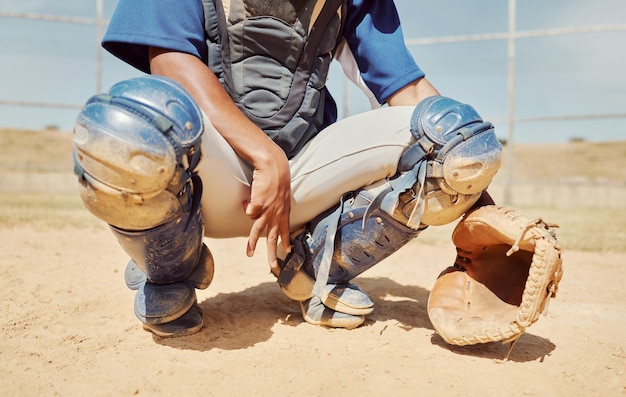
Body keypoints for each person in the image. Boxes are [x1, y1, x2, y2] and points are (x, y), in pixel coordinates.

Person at [72, 0, 502, 337]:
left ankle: (315, 265)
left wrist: (477, 200)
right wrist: (264, 155)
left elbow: (407, 91)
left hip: (303, 187)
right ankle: (171, 265)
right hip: (211, 183)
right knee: (124, 124)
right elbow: (170, 61)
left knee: (458, 134)